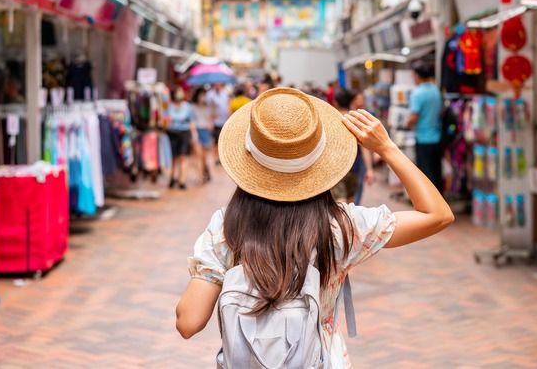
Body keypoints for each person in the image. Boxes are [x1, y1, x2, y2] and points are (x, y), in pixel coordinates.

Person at [176, 88, 454, 367]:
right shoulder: (343, 226)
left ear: (250, 160)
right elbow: (438, 215)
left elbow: (188, 322)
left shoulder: (227, 226)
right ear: (320, 162)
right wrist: (387, 148)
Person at [406, 63, 444, 193]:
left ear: (417, 76)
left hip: (423, 138)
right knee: (436, 172)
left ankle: (431, 203)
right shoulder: (435, 90)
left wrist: (407, 124)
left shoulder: (417, 94)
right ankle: (441, 200)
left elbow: (413, 117)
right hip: (437, 137)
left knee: (426, 175)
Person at [332, 88, 373, 205]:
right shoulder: (355, 119)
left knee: (339, 202)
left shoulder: (332, 119)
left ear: (335, 102)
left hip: (336, 166)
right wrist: (369, 169)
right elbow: (364, 147)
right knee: (351, 201)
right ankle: (351, 223)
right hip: (354, 165)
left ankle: (343, 223)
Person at [167, 87, 198, 189]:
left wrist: (194, 135)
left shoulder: (187, 107)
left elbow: (191, 121)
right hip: (172, 133)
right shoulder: (169, 106)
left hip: (184, 133)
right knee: (174, 157)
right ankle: (173, 176)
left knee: (183, 156)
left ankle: (182, 180)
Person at [192, 87, 213, 183]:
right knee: (198, 156)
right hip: (196, 131)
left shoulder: (208, 107)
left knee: (204, 157)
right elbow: (191, 121)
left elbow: (212, 118)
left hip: (205, 132)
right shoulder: (192, 107)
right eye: (201, 95)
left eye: (204, 95)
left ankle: (206, 171)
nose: (202, 97)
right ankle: (199, 176)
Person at [205, 82, 230, 163]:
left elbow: (227, 106)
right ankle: (216, 157)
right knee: (215, 141)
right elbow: (208, 108)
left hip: (224, 121)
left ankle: (220, 157)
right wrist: (210, 121)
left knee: (222, 141)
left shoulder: (225, 93)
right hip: (215, 121)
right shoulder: (210, 94)